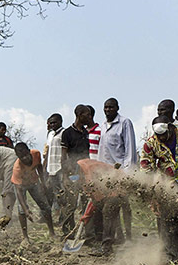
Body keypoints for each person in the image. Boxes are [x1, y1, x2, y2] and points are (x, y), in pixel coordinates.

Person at [140, 117, 178, 260]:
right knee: (170, 219)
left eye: (164, 134)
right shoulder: (151, 143)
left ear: (171, 128)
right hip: (167, 183)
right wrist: (153, 191)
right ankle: (171, 254)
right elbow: (146, 167)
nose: (161, 137)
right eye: (158, 135)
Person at [98, 97, 136, 241]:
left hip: (120, 172)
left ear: (117, 108)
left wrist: (127, 173)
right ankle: (118, 237)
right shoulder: (102, 126)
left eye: (111, 107)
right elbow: (102, 151)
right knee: (111, 207)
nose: (108, 110)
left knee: (124, 206)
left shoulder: (124, 123)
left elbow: (130, 148)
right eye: (106, 107)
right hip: (106, 173)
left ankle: (128, 237)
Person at [11, 143, 55, 244]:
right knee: (21, 210)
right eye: (22, 157)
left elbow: (39, 166)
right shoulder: (17, 168)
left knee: (45, 207)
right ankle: (25, 237)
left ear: (29, 151)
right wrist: (26, 210)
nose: (25, 158)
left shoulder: (36, 154)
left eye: (26, 155)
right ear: (18, 157)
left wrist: (43, 183)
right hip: (21, 186)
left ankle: (52, 233)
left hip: (34, 182)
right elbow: (19, 191)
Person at [77, 159, 121, 255]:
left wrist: (86, 216)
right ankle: (101, 242)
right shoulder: (82, 167)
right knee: (99, 212)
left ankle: (107, 247)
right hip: (108, 189)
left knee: (108, 212)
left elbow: (97, 199)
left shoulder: (88, 172)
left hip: (117, 187)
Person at [59, 105, 92, 233]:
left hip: (84, 172)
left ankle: (86, 232)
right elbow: (63, 157)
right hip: (73, 172)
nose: (89, 117)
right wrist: (66, 176)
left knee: (86, 202)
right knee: (71, 203)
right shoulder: (67, 133)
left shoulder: (85, 133)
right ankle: (68, 231)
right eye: (87, 115)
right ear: (79, 115)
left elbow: (87, 154)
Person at [43, 113, 64, 209]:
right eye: (51, 123)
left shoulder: (64, 133)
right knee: (50, 192)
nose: (52, 125)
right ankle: (51, 214)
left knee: (61, 193)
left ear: (60, 122)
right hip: (50, 168)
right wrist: (44, 165)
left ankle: (62, 215)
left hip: (59, 168)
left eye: (54, 122)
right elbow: (48, 150)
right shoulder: (50, 134)